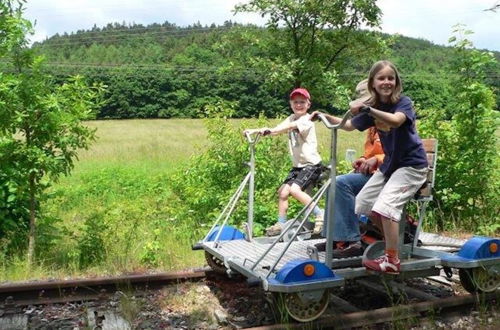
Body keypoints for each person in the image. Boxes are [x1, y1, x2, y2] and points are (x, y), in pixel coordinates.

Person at [316, 60, 428, 274]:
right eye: (381, 78)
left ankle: (392, 259)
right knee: (363, 205)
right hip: (391, 167)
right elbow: (348, 125)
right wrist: (324, 116)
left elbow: (396, 121)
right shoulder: (373, 109)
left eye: (390, 78)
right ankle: (394, 240)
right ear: (373, 83)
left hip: (411, 167)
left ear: (396, 82)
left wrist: (368, 108)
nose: (386, 82)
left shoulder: (403, 103)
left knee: (385, 208)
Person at [312, 79, 385, 258]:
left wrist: (377, 160)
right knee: (333, 184)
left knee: (341, 183)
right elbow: (349, 125)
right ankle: (335, 238)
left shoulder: (389, 117)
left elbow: (399, 151)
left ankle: (351, 240)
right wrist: (363, 159)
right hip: (374, 174)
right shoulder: (371, 121)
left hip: (389, 174)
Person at [243, 88, 324, 236]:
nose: (298, 105)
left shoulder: (307, 120)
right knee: (283, 192)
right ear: (291, 104)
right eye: (295, 102)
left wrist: (272, 131)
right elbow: (277, 128)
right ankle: (281, 223)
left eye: (302, 102)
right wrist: (257, 130)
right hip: (298, 166)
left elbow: (289, 128)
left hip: (311, 164)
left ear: (308, 104)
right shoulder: (292, 117)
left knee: (294, 190)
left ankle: (320, 213)